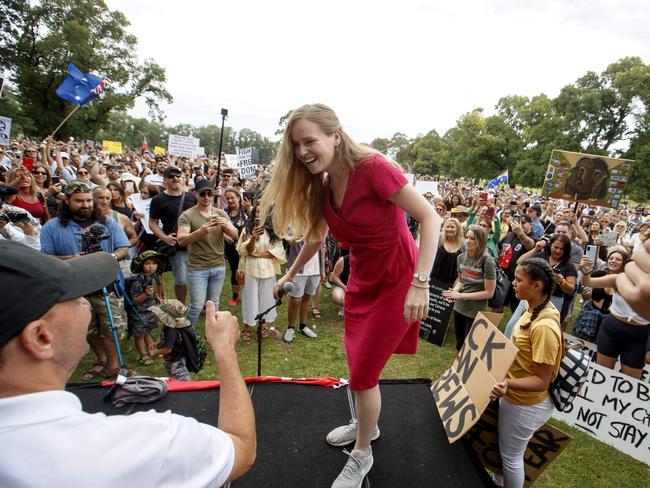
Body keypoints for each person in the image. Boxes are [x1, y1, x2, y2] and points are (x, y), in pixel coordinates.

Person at [261, 103, 440, 487]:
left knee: (363, 374)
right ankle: (365, 426)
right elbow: (317, 235)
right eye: (296, 145)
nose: (302, 151)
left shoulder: (375, 168)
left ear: (335, 136)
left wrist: (420, 283)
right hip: (362, 283)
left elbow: (430, 218)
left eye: (309, 140)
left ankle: (362, 453)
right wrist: (290, 273)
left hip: (397, 282)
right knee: (358, 363)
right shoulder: (325, 184)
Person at [0, 240, 256, 485]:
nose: (87, 303)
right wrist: (224, 349)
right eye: (77, 296)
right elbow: (240, 448)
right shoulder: (151, 443)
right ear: (41, 337)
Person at [39, 181, 132, 379]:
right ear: (67, 201)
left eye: (89, 200)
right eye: (79, 201)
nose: (86, 205)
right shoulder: (51, 227)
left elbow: (124, 248)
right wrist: (71, 259)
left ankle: (114, 365)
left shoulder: (108, 222)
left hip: (108, 285)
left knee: (113, 326)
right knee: (87, 327)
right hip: (76, 287)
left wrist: (110, 258)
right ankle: (101, 359)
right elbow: (45, 257)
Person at [489, 258, 562, 488]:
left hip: (524, 403)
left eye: (518, 280)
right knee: (507, 451)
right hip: (514, 396)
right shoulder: (532, 307)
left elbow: (541, 381)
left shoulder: (543, 327)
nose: (513, 283)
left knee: (511, 458)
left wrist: (507, 383)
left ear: (537, 285)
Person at [176, 179, 238, 326]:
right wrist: (200, 232)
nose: (206, 197)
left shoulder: (221, 213)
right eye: (202, 194)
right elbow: (181, 240)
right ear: (195, 194)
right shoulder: (187, 215)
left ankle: (211, 334)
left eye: (209, 193)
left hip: (218, 266)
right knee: (197, 306)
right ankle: (186, 336)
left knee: (213, 303)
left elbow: (235, 235)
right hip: (198, 268)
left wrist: (227, 227)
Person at [581, 254, 649, 379]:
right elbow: (588, 282)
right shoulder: (619, 278)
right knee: (601, 374)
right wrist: (585, 272)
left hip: (639, 335)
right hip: (612, 329)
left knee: (630, 380)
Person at [236, 201, 286, 342]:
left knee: (266, 298)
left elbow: (278, 252)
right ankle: (247, 326)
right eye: (257, 212)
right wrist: (253, 238)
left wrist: (259, 254)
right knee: (250, 298)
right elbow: (246, 250)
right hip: (251, 269)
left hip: (268, 269)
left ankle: (262, 324)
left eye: (263, 212)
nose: (260, 214)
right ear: (253, 213)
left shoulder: (274, 231)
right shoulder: (248, 229)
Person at [443, 225, 497, 351]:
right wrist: (454, 292)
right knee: (459, 343)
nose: (467, 241)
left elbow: (489, 292)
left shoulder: (487, 261)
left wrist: (461, 296)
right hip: (459, 307)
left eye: (472, 238)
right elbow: (461, 282)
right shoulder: (460, 257)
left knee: (470, 347)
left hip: (475, 310)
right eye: (467, 237)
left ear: (481, 241)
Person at [149, 165, 197, 303]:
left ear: (182, 179)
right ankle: (181, 306)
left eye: (177, 175)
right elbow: (152, 223)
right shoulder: (158, 200)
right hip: (176, 245)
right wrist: (164, 237)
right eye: (171, 176)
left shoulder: (192, 197)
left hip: (195, 243)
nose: (175, 178)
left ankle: (198, 304)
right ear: (165, 181)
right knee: (181, 279)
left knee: (197, 277)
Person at [126, 250, 165, 366]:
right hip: (139, 313)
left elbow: (156, 290)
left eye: (154, 263)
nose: (151, 266)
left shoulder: (154, 277)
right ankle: (143, 354)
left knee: (148, 331)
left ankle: (152, 350)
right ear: (140, 265)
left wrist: (158, 298)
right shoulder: (137, 282)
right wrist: (146, 294)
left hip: (150, 310)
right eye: (147, 264)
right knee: (139, 335)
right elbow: (135, 301)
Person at [224, 187, 248, 306]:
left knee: (248, 271)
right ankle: (235, 295)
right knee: (235, 270)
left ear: (238, 198)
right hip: (231, 248)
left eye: (232, 197)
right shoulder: (224, 212)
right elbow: (219, 227)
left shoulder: (246, 212)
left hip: (246, 247)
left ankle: (249, 294)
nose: (230, 200)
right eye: (227, 198)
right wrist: (224, 235)